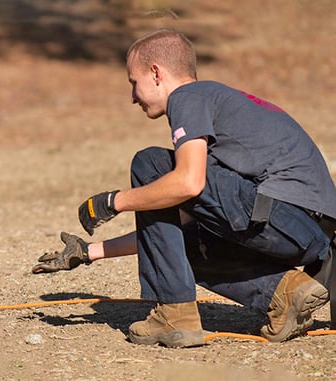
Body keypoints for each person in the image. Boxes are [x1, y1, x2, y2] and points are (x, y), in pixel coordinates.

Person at [32, 28, 336, 348]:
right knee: (186, 241)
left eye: (133, 83)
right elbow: (171, 228)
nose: (132, 96)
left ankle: (174, 315)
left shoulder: (188, 97)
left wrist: (114, 201)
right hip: (306, 230)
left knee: (150, 164)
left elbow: (188, 183)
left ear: (156, 73)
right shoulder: (220, 106)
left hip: (286, 217)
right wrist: (89, 252)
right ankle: (287, 292)